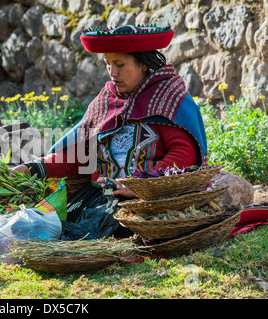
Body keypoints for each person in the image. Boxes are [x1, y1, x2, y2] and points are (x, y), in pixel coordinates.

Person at [12, 24, 208, 239]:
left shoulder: (168, 97)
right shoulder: (106, 102)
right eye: (108, 64)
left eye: (120, 64)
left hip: (153, 199)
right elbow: (81, 154)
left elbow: (184, 154)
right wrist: (34, 168)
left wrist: (142, 186)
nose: (113, 73)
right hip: (101, 198)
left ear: (144, 64)